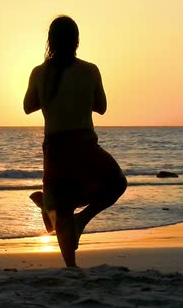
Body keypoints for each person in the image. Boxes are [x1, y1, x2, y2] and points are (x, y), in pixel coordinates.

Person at [23, 15, 127, 267]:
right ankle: (77, 217)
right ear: (77, 41)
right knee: (116, 184)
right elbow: (101, 107)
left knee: (64, 207)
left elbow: (28, 106)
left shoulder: (40, 73)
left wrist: (51, 98)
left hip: (56, 149)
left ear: (50, 41)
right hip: (83, 146)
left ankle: (70, 264)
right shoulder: (90, 70)